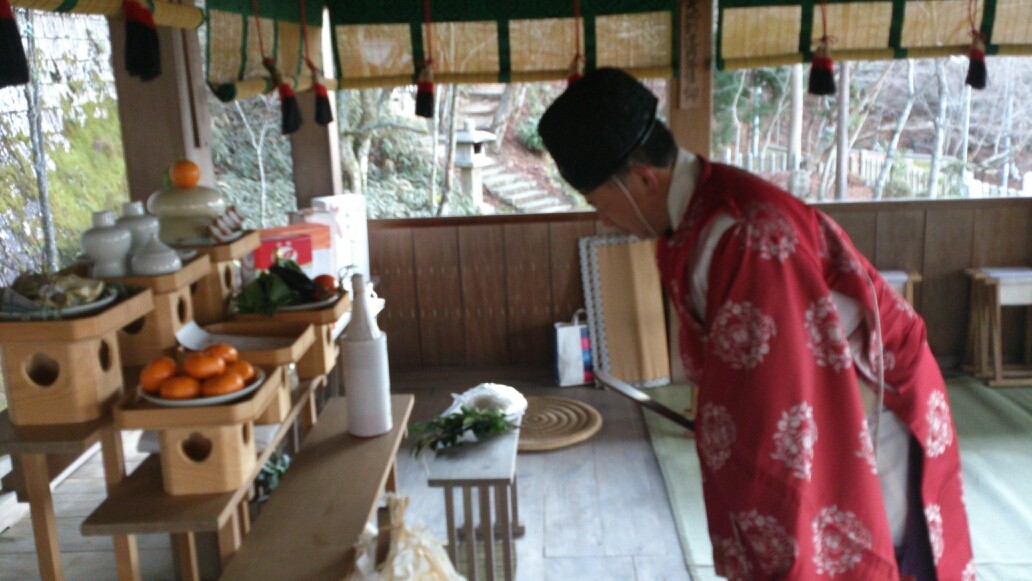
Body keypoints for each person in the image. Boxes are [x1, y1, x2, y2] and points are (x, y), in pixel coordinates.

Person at [538, 68, 974, 581]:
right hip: (821, 402)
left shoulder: (747, 235)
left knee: (866, 558)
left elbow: (781, 404)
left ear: (643, 180)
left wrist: (728, 442)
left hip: (859, 419)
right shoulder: (696, 210)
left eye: (598, 204)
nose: (605, 221)